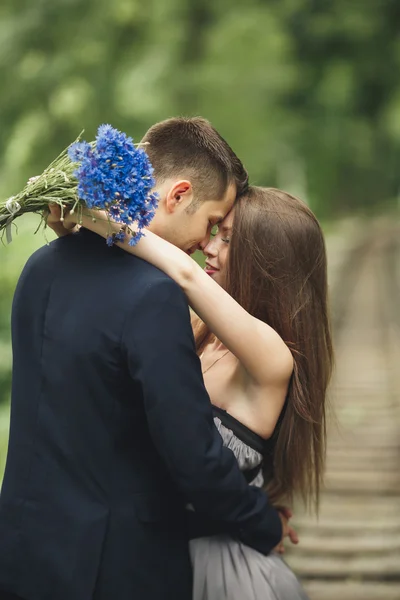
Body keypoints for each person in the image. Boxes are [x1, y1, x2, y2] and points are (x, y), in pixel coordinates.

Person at [0, 118, 288, 600]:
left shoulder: (41, 267)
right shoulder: (153, 294)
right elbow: (192, 456)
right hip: (115, 567)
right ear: (177, 196)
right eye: (212, 222)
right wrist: (262, 520)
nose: (205, 242)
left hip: (23, 549)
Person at [49, 184, 333, 599]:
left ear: (269, 260)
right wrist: (72, 238)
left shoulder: (272, 355)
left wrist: (96, 217)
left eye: (228, 238)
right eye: (215, 232)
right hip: (156, 557)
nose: (208, 247)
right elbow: (116, 304)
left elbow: (181, 272)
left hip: (225, 573)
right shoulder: (198, 330)